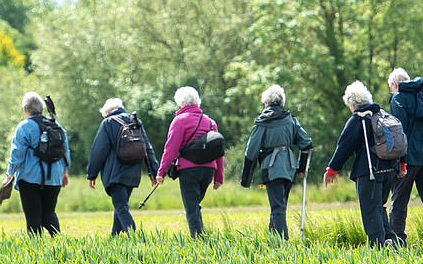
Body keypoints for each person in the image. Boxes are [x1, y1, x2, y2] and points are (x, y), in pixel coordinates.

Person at [322, 81, 397, 248]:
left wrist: (331, 170)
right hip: (390, 169)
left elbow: (344, 146)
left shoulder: (358, 119)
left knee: (370, 210)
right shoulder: (382, 116)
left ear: (352, 103)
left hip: (369, 170)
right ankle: (390, 241)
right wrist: (402, 166)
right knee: (379, 207)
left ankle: (378, 248)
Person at [240, 85, 313, 241]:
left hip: (271, 168)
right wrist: (300, 168)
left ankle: (281, 245)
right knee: (280, 206)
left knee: (277, 208)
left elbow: (251, 151)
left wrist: (246, 180)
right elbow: (306, 143)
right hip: (290, 167)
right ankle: (272, 241)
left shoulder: (262, 122)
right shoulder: (291, 120)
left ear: (266, 102)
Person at [155, 87, 224, 238]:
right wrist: (219, 177)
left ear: (182, 102)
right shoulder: (211, 122)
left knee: (191, 207)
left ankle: (198, 240)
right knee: (195, 204)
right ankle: (201, 235)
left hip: (189, 169)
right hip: (208, 170)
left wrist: (161, 172)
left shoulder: (179, 120)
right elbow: (218, 151)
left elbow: (171, 148)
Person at [387, 68, 423, 247]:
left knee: (399, 201)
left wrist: (398, 160)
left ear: (395, 85)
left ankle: (397, 241)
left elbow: (398, 132)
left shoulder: (398, 99)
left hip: (408, 159)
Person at [87, 98, 159, 236]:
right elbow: (147, 148)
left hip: (115, 174)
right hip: (132, 174)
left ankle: (135, 237)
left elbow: (99, 150)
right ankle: (114, 238)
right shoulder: (135, 122)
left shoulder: (108, 123)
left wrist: (92, 174)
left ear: (107, 111)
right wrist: (153, 172)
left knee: (121, 207)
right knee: (120, 206)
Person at [3, 92, 70, 237]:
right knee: (49, 213)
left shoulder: (24, 127)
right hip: (54, 178)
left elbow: (17, 154)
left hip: (30, 179)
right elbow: (65, 149)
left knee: (33, 216)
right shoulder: (55, 125)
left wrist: (9, 175)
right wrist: (64, 172)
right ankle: (59, 243)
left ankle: (36, 250)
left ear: (26, 108)